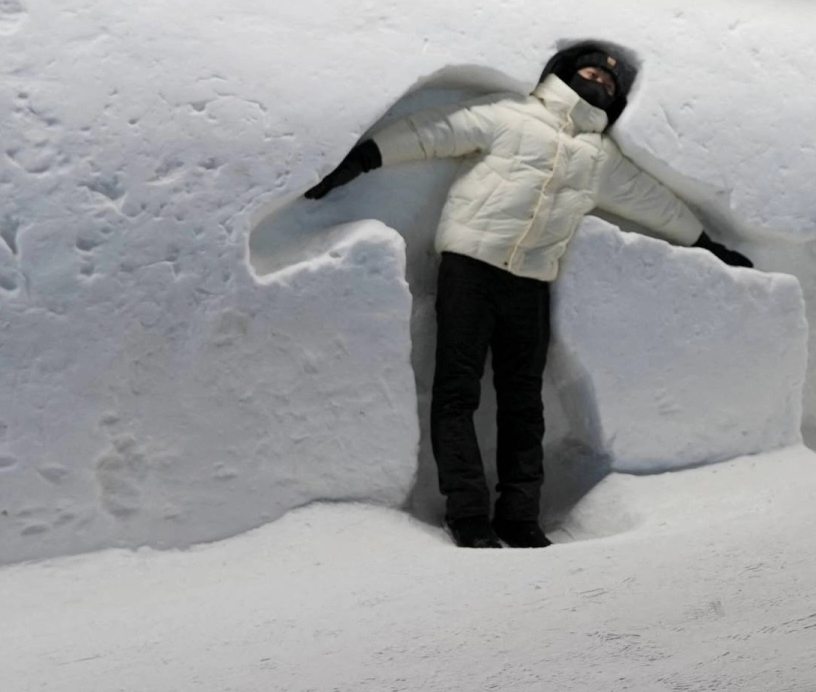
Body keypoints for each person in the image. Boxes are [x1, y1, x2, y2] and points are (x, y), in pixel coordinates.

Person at [305, 41, 752, 549]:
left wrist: (705, 242)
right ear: (564, 72)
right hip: (469, 267)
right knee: (457, 393)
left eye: (610, 86)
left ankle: (520, 518)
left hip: (531, 284)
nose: (601, 84)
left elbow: (650, 201)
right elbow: (435, 132)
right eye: (592, 74)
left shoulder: (599, 159)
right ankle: (467, 514)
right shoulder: (511, 116)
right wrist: (364, 159)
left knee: (524, 405)